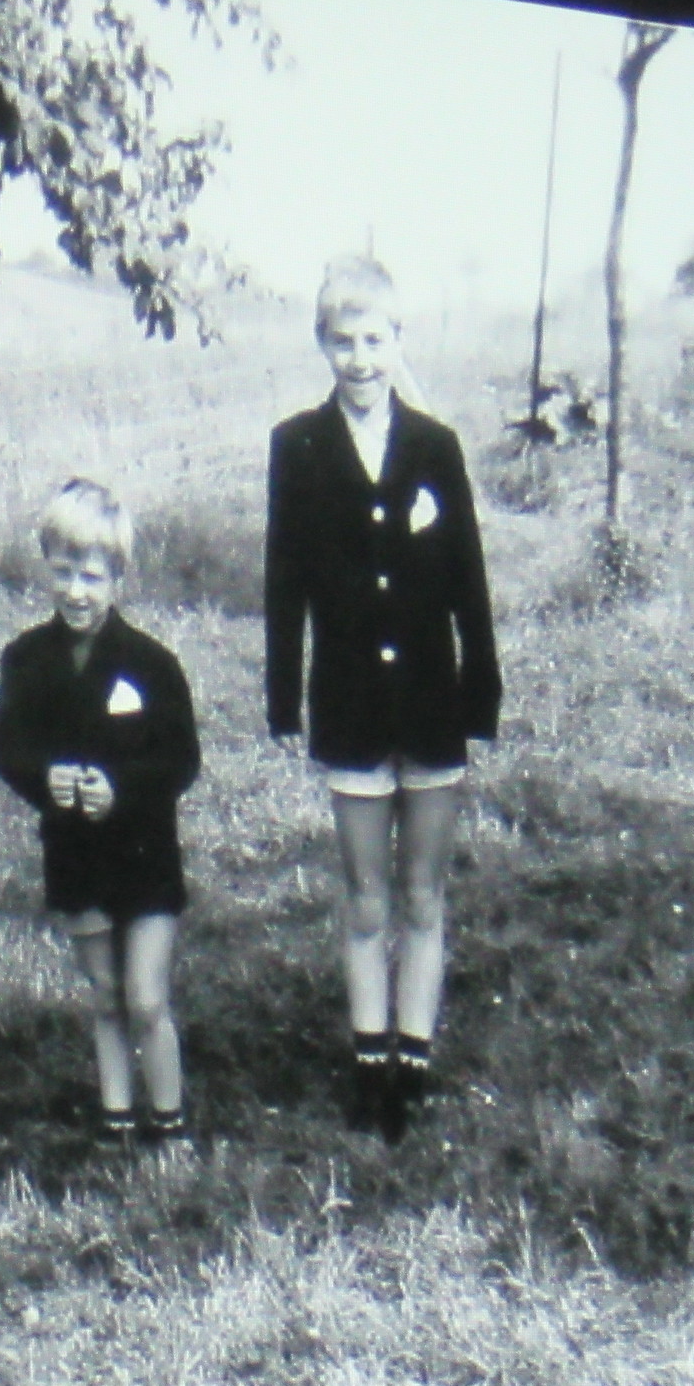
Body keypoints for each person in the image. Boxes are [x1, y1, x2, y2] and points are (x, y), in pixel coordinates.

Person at [263, 255, 500, 1141]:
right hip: (351, 704)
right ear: (322, 344)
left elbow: (468, 576)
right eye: (343, 342)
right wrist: (284, 695)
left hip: (430, 704)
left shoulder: (436, 446)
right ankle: (370, 1061)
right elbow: (284, 578)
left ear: (400, 340)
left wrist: (480, 686)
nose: (360, 359)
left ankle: (414, 1057)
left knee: (423, 893)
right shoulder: (297, 446)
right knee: (366, 897)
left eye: (374, 340)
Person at [0, 479, 203, 1146]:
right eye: (63, 573)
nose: (76, 591)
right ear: (45, 567)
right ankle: (116, 1116)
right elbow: (7, 746)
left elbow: (182, 759)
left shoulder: (152, 665)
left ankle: (168, 1120)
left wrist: (124, 789)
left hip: (146, 856)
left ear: (118, 578)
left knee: (145, 997)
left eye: (92, 577)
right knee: (106, 994)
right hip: (74, 854)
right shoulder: (25, 660)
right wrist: (42, 777)